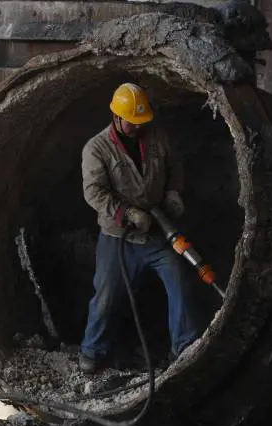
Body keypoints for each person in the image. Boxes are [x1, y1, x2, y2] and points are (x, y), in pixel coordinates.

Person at [78, 82, 199, 373]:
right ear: (117, 118)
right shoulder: (96, 148)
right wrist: (125, 212)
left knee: (180, 281)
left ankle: (185, 349)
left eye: (141, 121)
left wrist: (173, 192)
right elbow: (93, 191)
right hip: (118, 238)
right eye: (132, 122)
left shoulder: (156, 136)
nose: (137, 126)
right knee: (106, 296)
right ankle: (92, 353)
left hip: (158, 233)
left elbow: (175, 168)